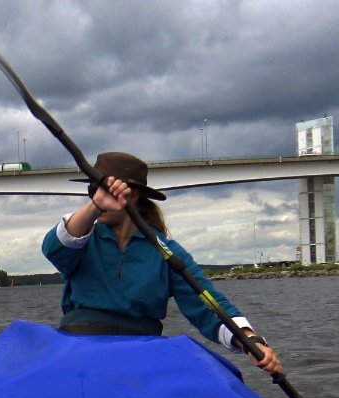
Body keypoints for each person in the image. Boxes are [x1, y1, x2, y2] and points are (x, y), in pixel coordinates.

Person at [41, 151, 282, 375]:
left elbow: (208, 304)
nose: (96, 195)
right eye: (92, 190)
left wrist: (250, 340)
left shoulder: (166, 252)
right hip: (80, 349)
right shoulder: (83, 240)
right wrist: (96, 206)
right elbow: (54, 247)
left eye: (103, 190)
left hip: (140, 353)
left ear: (132, 196)